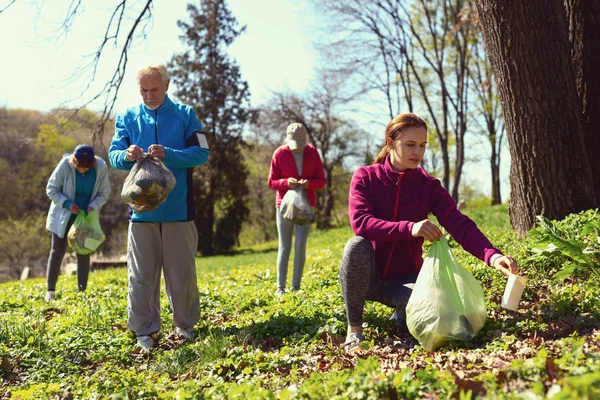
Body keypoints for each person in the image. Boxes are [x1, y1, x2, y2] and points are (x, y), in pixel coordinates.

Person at [340, 113, 518, 354]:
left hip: (405, 279)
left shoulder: (428, 186)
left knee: (447, 313)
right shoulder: (366, 177)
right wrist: (410, 227)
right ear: (391, 143)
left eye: (422, 145)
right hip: (369, 276)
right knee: (355, 246)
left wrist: (493, 256)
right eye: (410, 145)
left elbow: (459, 223)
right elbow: (361, 223)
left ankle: (402, 313)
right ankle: (354, 330)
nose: (418, 152)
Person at [108, 63, 209, 349]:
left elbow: (202, 152)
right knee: (141, 276)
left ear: (167, 85)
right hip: (140, 213)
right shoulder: (127, 117)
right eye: (143, 90)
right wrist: (126, 155)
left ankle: (185, 326)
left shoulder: (186, 115)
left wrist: (170, 154)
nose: (149, 95)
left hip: (179, 211)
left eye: (154, 89)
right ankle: (143, 331)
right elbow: (113, 154)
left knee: (182, 274)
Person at [45, 144, 111, 301]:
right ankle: (50, 291)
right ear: (74, 161)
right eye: (80, 166)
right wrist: (67, 204)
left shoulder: (100, 167)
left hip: (85, 217)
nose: (83, 170)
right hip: (64, 214)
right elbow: (51, 189)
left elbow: (104, 193)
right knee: (58, 250)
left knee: (83, 251)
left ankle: (82, 291)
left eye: (86, 167)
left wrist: (92, 206)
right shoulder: (65, 165)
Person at [268, 123, 326, 295]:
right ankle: (280, 287)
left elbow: (321, 181)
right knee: (284, 245)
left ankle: (296, 286)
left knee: (300, 244)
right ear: (287, 140)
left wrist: (309, 184)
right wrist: (287, 182)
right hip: (285, 207)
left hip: (306, 207)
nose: (297, 150)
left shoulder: (313, 153)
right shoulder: (279, 153)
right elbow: (272, 182)